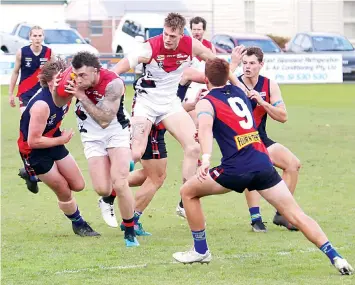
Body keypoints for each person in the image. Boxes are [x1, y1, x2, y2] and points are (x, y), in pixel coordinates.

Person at [172, 58, 354, 276]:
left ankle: (200, 250)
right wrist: (231, 67)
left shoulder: (206, 101)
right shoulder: (240, 92)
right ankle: (336, 257)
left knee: (188, 192)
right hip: (263, 163)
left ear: (206, 79)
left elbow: (205, 128)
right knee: (297, 214)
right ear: (228, 75)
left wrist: (207, 158)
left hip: (236, 169)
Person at [112, 13, 240, 205]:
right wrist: (107, 81)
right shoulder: (150, 47)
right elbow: (119, 68)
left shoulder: (191, 46)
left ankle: (185, 199)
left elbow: (218, 66)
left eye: (173, 36)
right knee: (137, 152)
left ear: (182, 35)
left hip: (170, 104)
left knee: (194, 146)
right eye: (165, 34)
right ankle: (111, 188)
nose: (168, 39)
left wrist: (239, 86)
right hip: (146, 102)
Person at [54, 51, 138, 247]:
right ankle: (124, 163)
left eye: (83, 75)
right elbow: (59, 102)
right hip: (91, 136)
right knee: (102, 189)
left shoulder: (114, 83)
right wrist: (57, 88)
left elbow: (104, 120)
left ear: (95, 71)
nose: (78, 79)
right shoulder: (74, 79)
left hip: (114, 129)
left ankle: (129, 231)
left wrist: (81, 96)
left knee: (120, 182)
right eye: (76, 75)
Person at [17, 58, 99, 237]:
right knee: (64, 189)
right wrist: (61, 139)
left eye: (64, 78)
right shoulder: (41, 105)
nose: (62, 83)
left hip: (53, 139)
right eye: (57, 80)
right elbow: (33, 141)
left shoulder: (67, 92)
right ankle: (79, 224)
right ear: (47, 82)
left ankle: (31, 174)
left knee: (78, 185)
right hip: (33, 151)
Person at [237, 47, 301, 232]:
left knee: (293, 164)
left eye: (252, 63)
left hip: (261, 137)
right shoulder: (235, 84)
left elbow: (283, 116)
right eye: (244, 63)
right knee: (254, 171)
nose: (247, 67)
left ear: (261, 65)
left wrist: (262, 102)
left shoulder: (269, 85)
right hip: (241, 139)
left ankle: (282, 213)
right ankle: (256, 219)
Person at [99, 122, 167, 237]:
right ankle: (132, 221)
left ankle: (113, 187)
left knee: (150, 174)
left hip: (147, 127)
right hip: (151, 129)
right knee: (156, 177)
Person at [10, 25, 54, 194]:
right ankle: (30, 168)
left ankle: (32, 170)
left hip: (42, 96)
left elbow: (54, 74)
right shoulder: (22, 52)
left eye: (40, 35)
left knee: (41, 132)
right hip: (25, 96)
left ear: (43, 37)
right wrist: (10, 94)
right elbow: (15, 73)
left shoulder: (49, 53)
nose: (37, 38)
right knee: (29, 129)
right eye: (34, 35)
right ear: (30, 37)